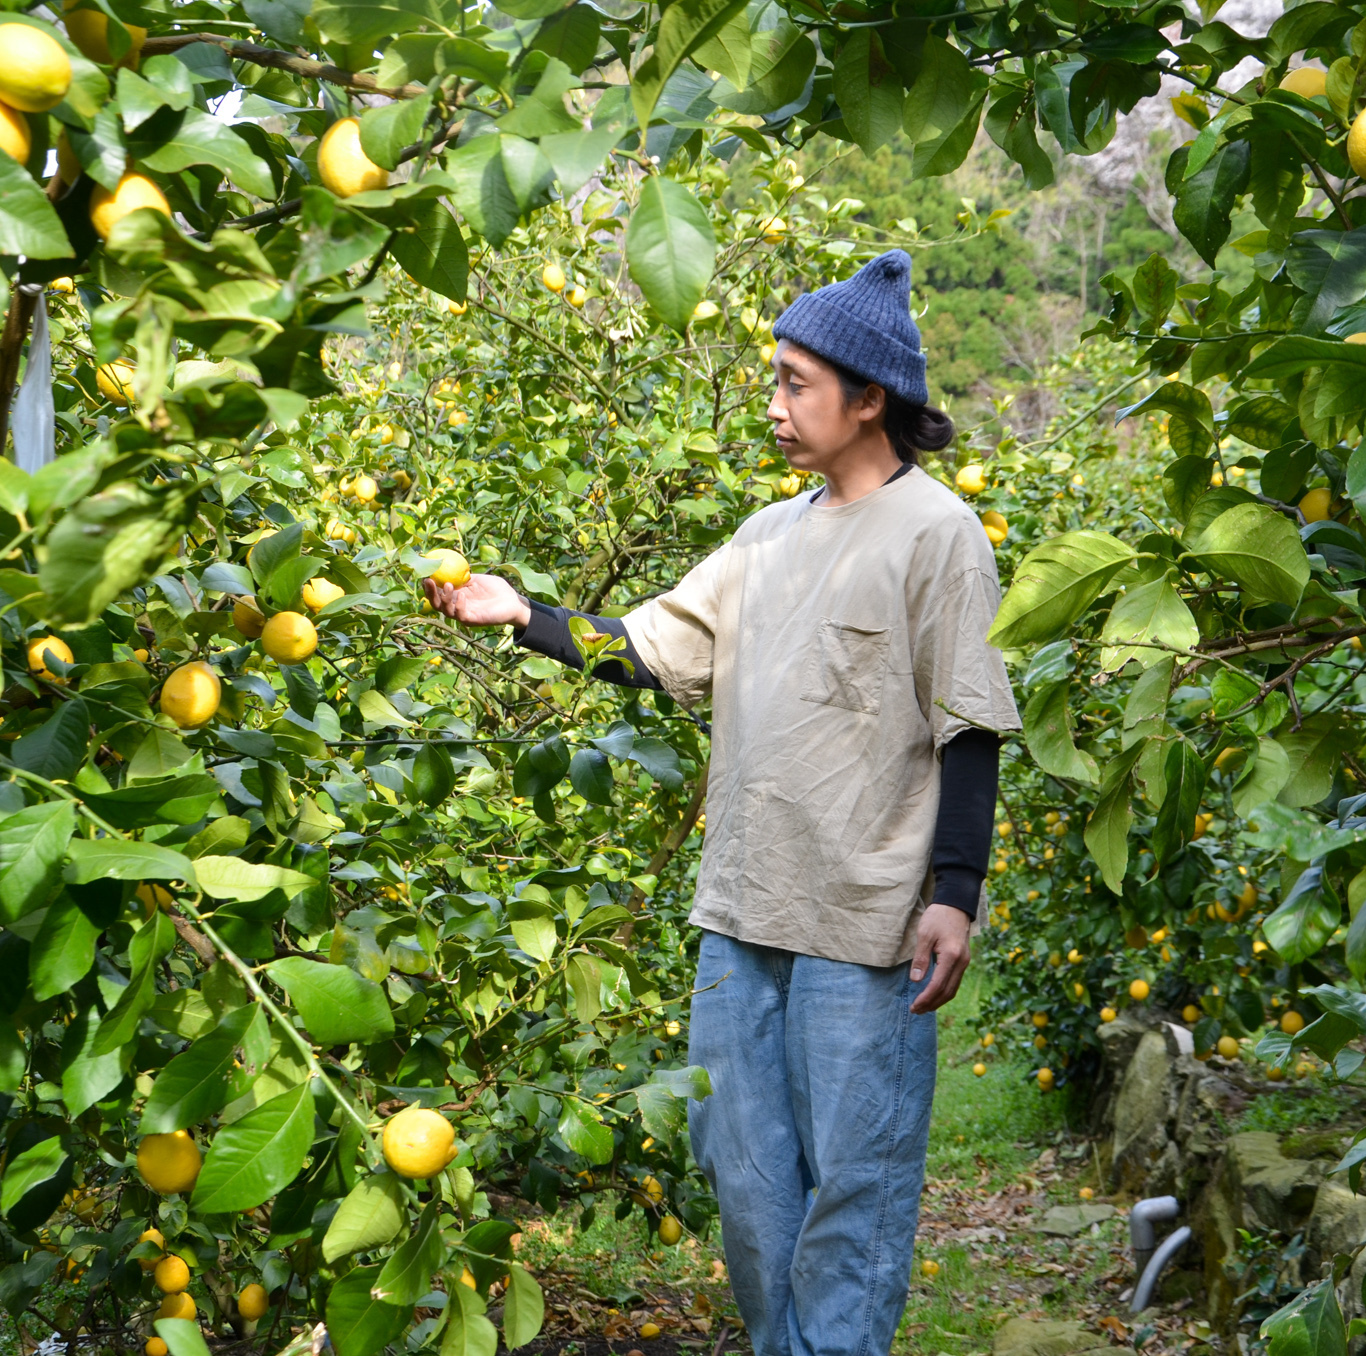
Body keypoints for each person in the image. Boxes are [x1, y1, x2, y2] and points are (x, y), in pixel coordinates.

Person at [424, 249, 1019, 1356]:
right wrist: (522, 614)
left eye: (796, 382)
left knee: (852, 1197)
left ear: (868, 398)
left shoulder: (936, 535)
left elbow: (970, 723)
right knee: (744, 1191)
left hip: (862, 927)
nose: (776, 404)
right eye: (773, 379)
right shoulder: (764, 539)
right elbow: (649, 650)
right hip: (740, 917)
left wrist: (954, 892)